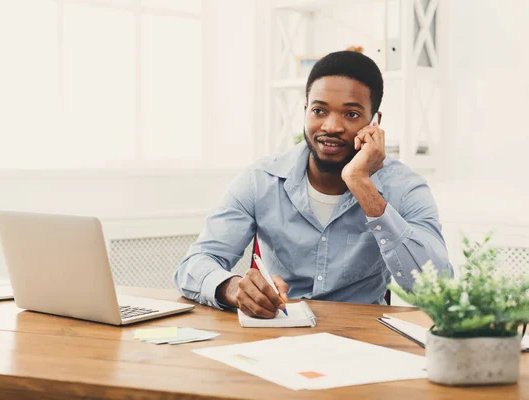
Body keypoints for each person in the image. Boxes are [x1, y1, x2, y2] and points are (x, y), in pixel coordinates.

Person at [174, 50, 453, 318]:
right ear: (306, 110)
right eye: (319, 110)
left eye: (351, 114)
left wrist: (362, 185)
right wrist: (232, 287)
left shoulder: (405, 187)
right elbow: (194, 265)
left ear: (375, 122)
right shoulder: (260, 180)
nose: (331, 126)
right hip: (277, 333)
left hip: (364, 341)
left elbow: (438, 290)